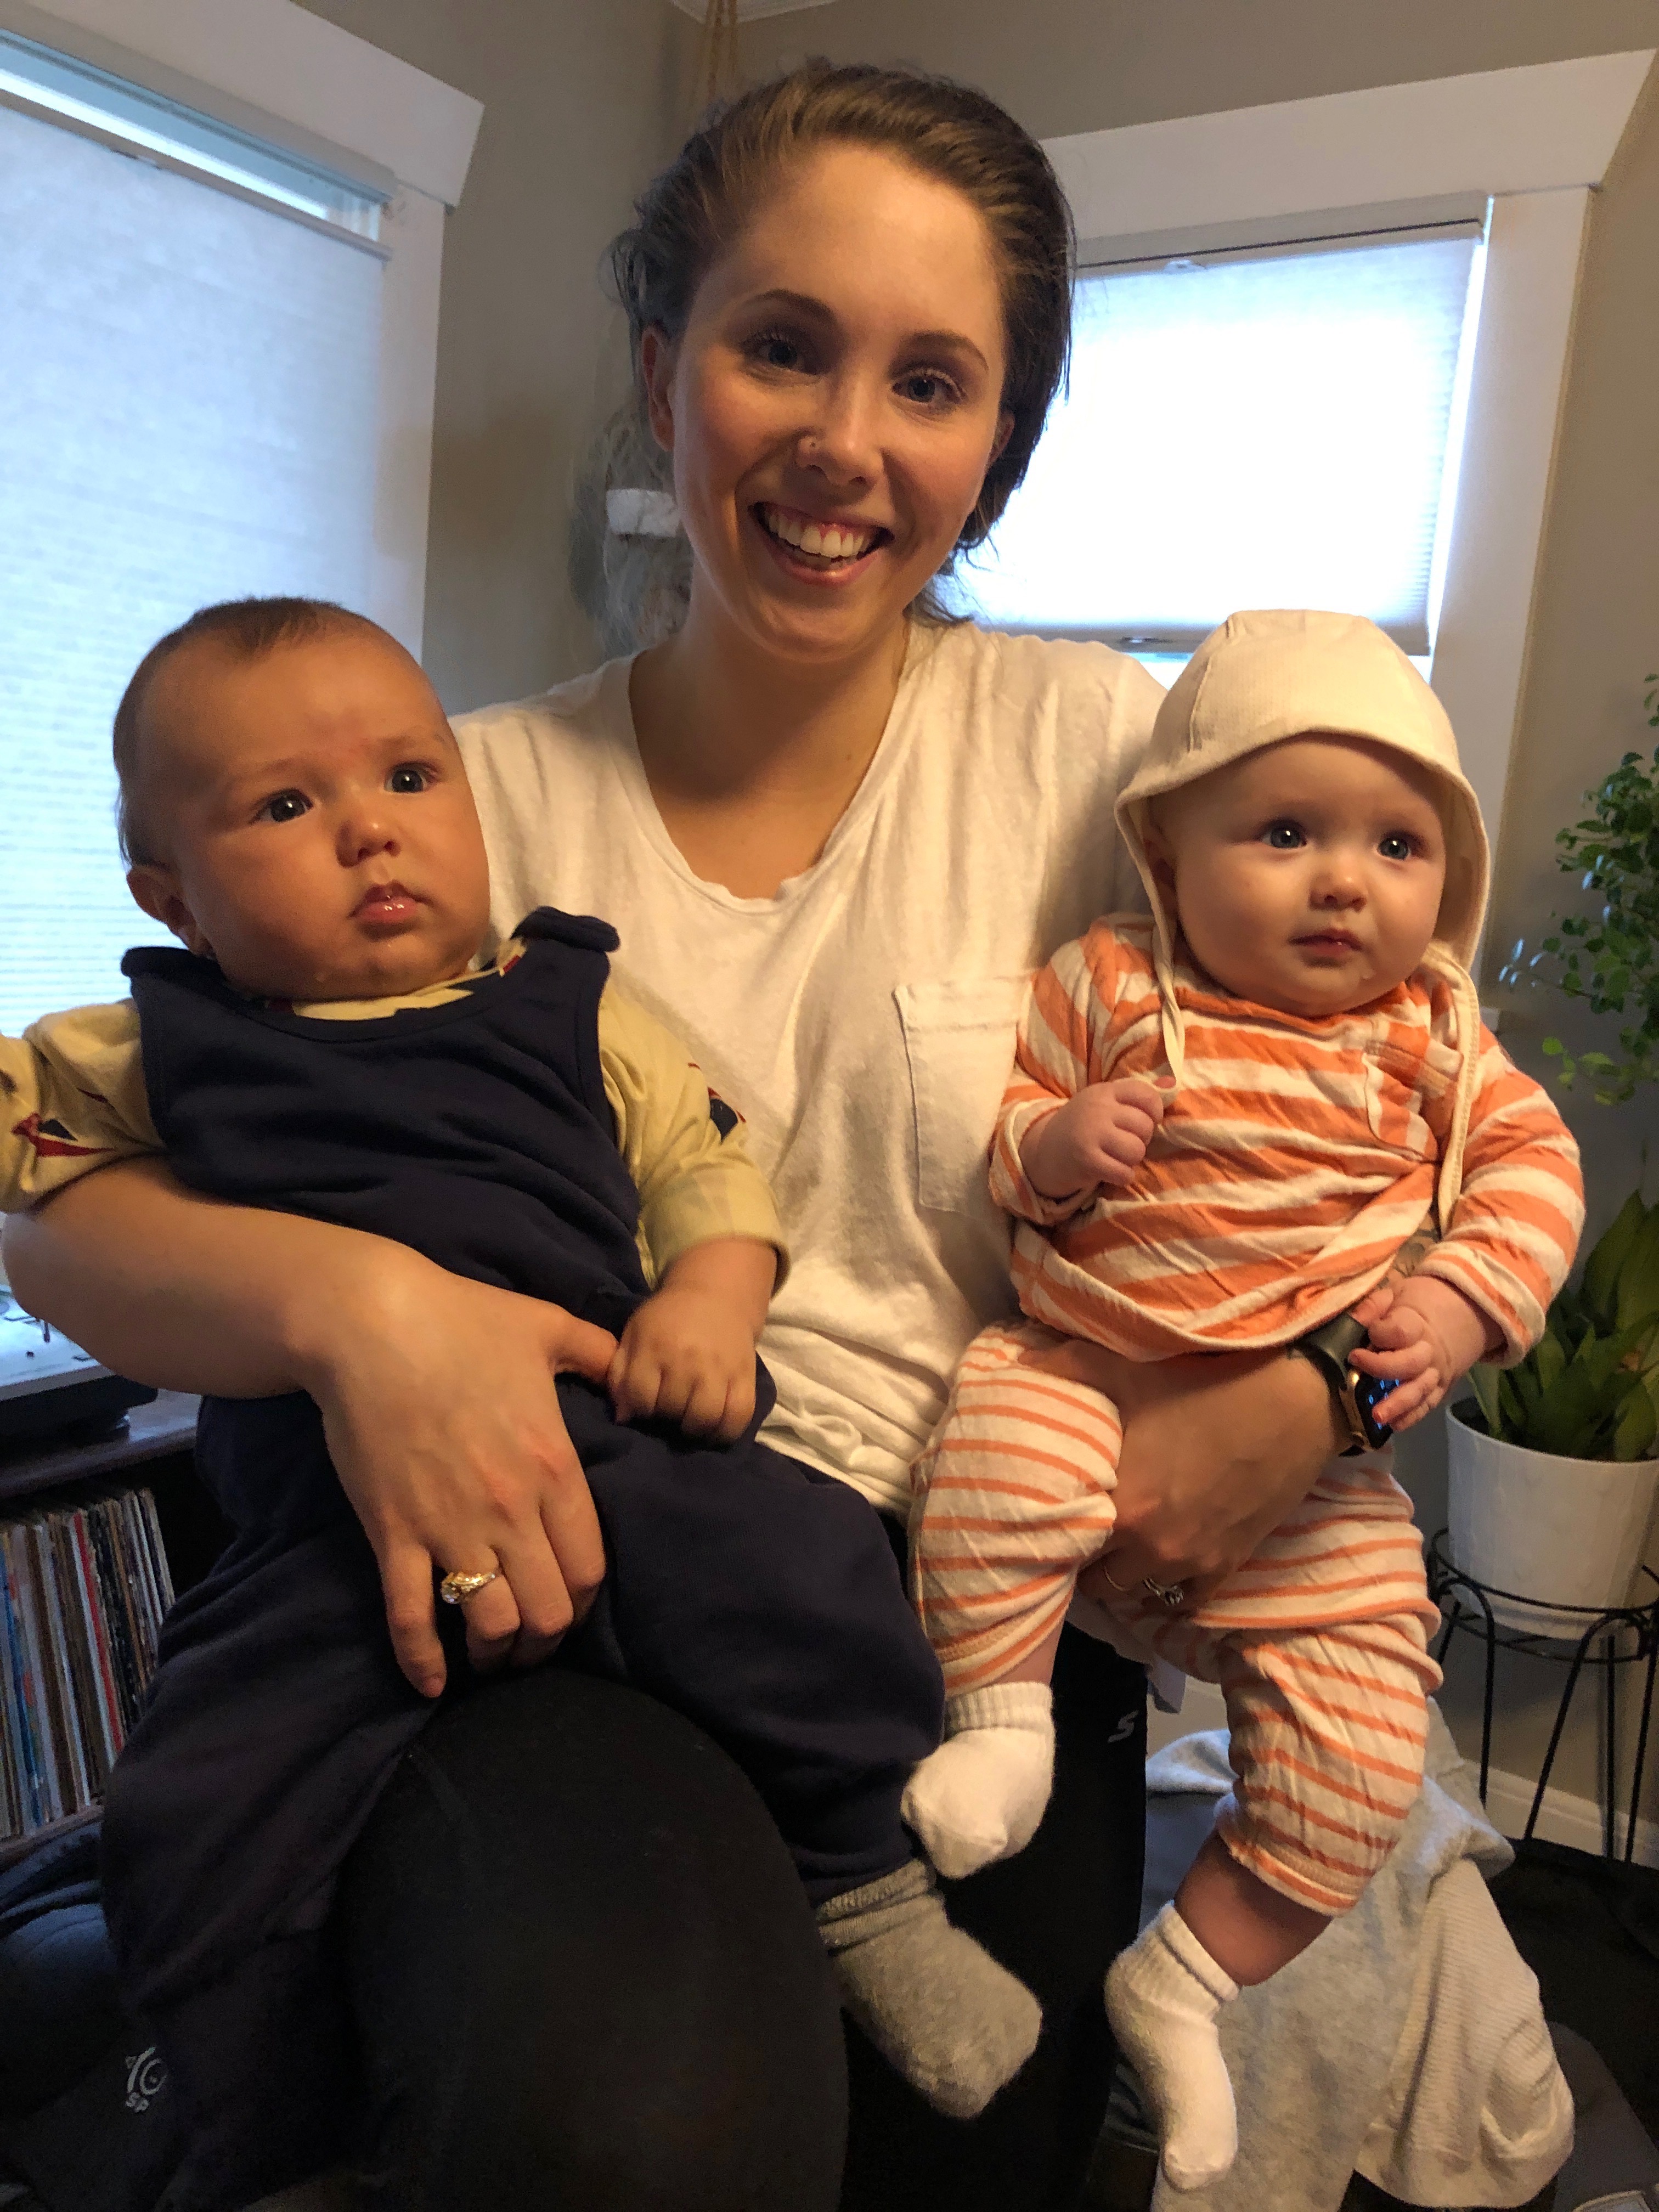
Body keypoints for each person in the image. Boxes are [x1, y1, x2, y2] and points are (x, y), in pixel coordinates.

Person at [2, 65, 1355, 2212]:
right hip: (559, 1602)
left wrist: (1315, 1390)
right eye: (779, 346)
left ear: (999, 437)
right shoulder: (450, 803)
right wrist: (361, 1315)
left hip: (986, 1643)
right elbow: (60, 1206)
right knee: (642, 2139)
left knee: (969, 2150)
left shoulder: (1107, 759)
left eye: (931, 380)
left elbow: (1401, 1109)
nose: (844, 443)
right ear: (665, 375)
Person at [1, 591, 1058, 2192]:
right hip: (322, 1524)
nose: (369, 830)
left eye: (407, 779)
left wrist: (709, 1298)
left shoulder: (566, 995)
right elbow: (38, 1181)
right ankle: (239, 2107)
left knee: (803, 1574)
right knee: (196, 1794)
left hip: (611, 1435)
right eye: (284, 807)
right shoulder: (155, 1043)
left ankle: (861, 1880)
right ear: (176, 899)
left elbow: (703, 1164)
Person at [901, 610, 1584, 2190]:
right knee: (992, 1462)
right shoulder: (1112, 982)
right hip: (1085, 1368)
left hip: (1321, 1476)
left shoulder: (1434, 1036)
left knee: (1367, 1752)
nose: (1345, 881)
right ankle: (1002, 1724)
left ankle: (1189, 1978)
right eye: (1286, 834)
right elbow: (1011, 1138)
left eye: (1398, 845)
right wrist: (1058, 1146)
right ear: (1166, 851)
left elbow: (1535, 1174)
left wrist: (1462, 1299)